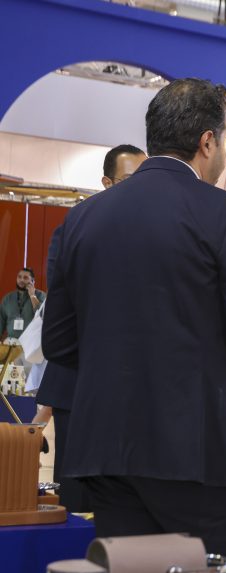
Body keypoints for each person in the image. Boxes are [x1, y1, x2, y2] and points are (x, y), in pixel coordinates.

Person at [42, 78, 226, 573]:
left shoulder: (82, 219)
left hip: (107, 451)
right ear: (208, 142)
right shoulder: (225, 214)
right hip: (198, 451)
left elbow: (59, 343)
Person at [37, 144, 147, 513]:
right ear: (106, 182)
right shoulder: (75, 228)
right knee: (77, 501)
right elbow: (63, 319)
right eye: (128, 180)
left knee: (129, 505)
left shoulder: (157, 233)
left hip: (140, 393)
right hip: (78, 386)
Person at [0, 268, 45, 340]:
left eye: (25, 278)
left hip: (31, 341)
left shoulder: (41, 295)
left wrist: (32, 295)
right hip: (11, 342)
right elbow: (1, 321)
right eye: (19, 277)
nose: (21, 280)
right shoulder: (8, 298)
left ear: (32, 281)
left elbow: (42, 315)